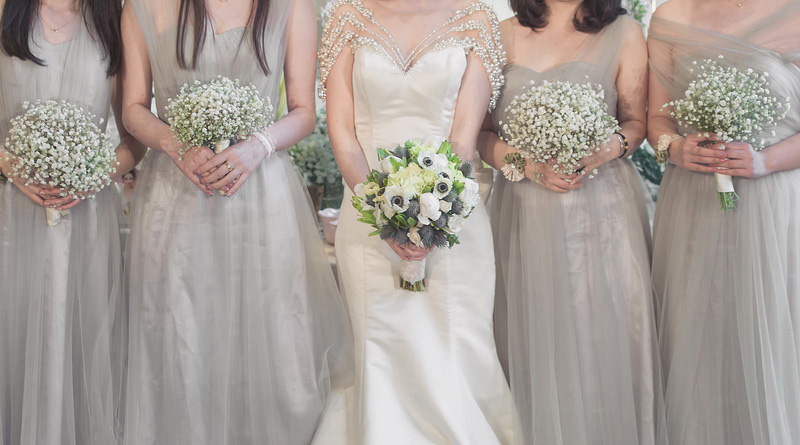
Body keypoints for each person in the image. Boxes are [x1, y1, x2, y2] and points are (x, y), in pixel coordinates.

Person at [120, 0, 352, 442]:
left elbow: (303, 110)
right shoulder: (143, 6)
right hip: (175, 197)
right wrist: (175, 143)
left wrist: (258, 145)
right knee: (180, 331)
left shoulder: (292, 6)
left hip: (261, 194)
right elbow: (133, 107)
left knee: (269, 331)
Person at [316, 0, 514, 443]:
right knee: (380, 344)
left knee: (454, 345)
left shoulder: (477, 19)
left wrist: (435, 217)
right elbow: (342, 131)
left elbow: (463, 138)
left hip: (452, 214)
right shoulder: (347, 15)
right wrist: (380, 211)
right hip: (366, 214)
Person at [477, 0, 667, 443]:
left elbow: (635, 123)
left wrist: (604, 149)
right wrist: (527, 165)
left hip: (602, 211)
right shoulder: (499, 32)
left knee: (601, 334)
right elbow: (481, 135)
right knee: (534, 336)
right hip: (523, 211)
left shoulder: (622, 32)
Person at [648, 0, 800, 442]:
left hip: (773, 202)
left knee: (769, 329)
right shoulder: (670, 16)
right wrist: (675, 148)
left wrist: (766, 161)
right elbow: (658, 118)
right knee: (700, 329)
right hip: (692, 202)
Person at [0, 0, 145, 442]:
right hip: (12, 215)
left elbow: (134, 139)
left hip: (87, 219)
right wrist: (10, 166)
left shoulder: (115, 21)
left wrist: (92, 175)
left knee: (79, 346)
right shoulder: (5, 12)